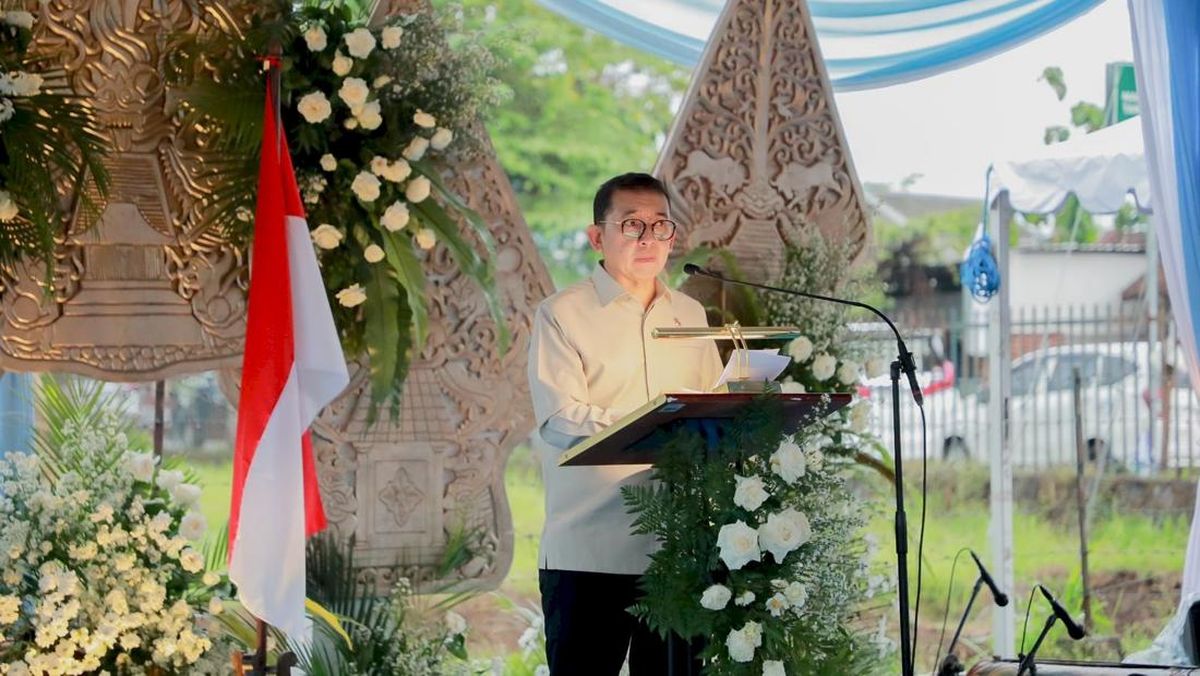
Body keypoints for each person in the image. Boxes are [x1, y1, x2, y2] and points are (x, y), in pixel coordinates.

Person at [527, 172, 723, 674]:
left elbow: (712, 407)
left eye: (660, 226)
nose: (648, 239)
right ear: (597, 237)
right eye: (632, 225)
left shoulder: (690, 313)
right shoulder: (562, 314)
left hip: (678, 549)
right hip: (590, 548)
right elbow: (561, 418)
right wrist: (658, 423)